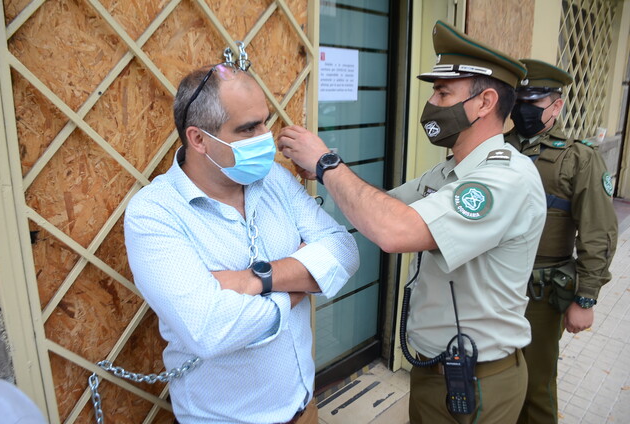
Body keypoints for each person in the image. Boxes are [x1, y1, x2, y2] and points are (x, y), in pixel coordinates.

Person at [278, 20, 547, 424]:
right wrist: (328, 177)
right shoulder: (449, 172)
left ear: (485, 102)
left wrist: (327, 164)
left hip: (476, 384)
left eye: (443, 92)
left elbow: (393, 231)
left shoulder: (505, 179)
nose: (432, 104)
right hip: (435, 372)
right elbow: (383, 208)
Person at [124, 61, 359, 424]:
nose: (266, 137)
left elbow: (344, 251)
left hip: (304, 408)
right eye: (248, 128)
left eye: (265, 121)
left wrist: (257, 280)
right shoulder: (154, 213)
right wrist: (298, 285)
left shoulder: (274, 179)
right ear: (198, 139)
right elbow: (210, 330)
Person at [505, 59, 618, 424]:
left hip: (539, 292)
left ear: (557, 105)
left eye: (533, 103)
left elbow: (598, 230)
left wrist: (585, 298)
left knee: (536, 384)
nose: (523, 111)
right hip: (489, 282)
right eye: (518, 101)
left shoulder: (578, 158)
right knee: (491, 376)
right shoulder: (496, 147)